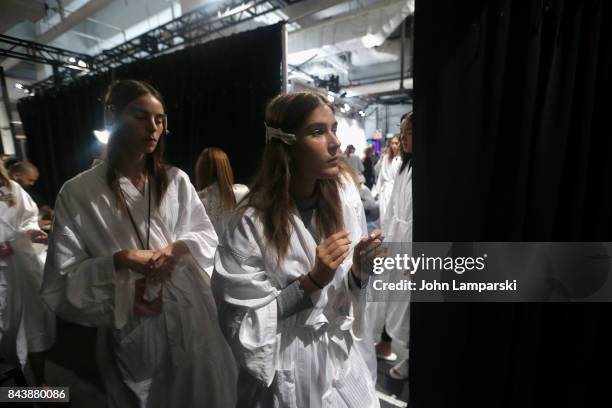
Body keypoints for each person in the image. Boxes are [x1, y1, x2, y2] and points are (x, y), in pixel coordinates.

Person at [42, 79, 237, 407]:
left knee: (203, 390)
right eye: (140, 116)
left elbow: (205, 234)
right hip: (129, 313)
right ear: (113, 118)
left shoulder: (176, 180)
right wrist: (120, 259)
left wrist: (176, 248)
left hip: (189, 312)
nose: (153, 127)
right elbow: (62, 278)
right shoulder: (78, 193)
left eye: (160, 119)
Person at [212, 91, 382, 408]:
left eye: (333, 128)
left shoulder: (344, 198)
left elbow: (346, 300)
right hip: (285, 371)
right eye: (318, 132)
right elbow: (241, 324)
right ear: (285, 143)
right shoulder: (251, 223)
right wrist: (312, 281)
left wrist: (359, 272)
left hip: (340, 363)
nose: (334, 143)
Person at [0, 161, 55, 386]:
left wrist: (32, 232)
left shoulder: (9, 189)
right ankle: (16, 392)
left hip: (19, 269)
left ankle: (40, 387)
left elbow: (27, 219)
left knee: (32, 329)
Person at [370, 113, 413, 379]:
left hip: (411, 247)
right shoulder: (403, 166)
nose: (401, 137)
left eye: (408, 132)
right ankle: (392, 345)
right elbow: (394, 210)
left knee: (408, 304)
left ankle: (408, 355)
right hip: (398, 240)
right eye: (401, 131)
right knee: (394, 299)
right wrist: (385, 238)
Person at [195, 147, 249, 238]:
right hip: (239, 250)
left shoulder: (196, 199)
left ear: (201, 171)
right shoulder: (243, 193)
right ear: (226, 168)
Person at [8, 161, 53, 228]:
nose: (32, 184)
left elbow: (39, 202)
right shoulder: (4, 193)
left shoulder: (24, 189)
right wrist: (34, 224)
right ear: (16, 176)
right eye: (30, 180)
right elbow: (7, 221)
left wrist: (50, 212)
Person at [372, 136, 401, 224]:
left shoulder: (402, 159)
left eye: (396, 143)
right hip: (385, 191)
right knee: (384, 214)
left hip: (397, 191)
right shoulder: (386, 158)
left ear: (400, 144)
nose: (394, 145)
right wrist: (376, 191)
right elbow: (381, 175)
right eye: (392, 143)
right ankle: (384, 235)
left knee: (394, 216)